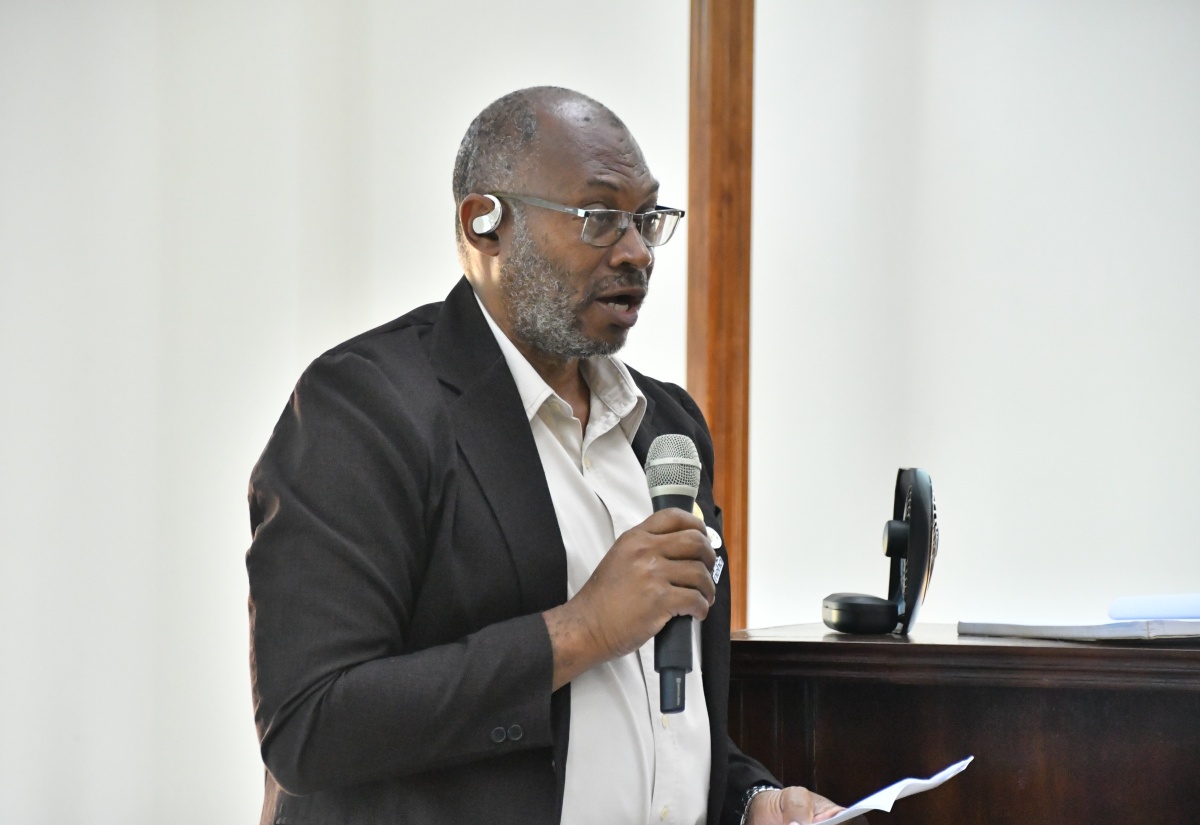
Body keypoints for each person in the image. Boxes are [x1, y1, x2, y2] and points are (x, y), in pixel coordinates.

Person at [246, 86, 855, 825]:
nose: (635, 251)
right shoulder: (368, 407)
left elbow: (662, 720)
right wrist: (583, 629)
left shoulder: (667, 427)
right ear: (485, 225)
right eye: (599, 217)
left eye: (645, 218)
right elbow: (311, 724)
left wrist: (751, 796)